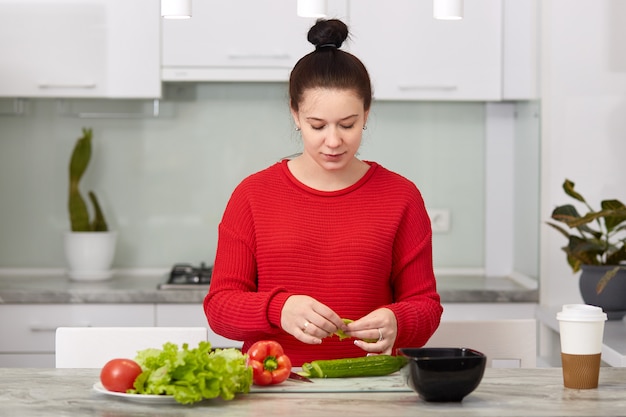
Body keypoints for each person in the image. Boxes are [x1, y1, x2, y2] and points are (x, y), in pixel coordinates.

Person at [204, 18, 442, 366]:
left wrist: (399, 322)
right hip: (274, 389)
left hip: (373, 389)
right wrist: (278, 308)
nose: (333, 141)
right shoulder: (253, 195)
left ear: (366, 114)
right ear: (295, 115)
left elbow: (426, 306)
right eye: (318, 126)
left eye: (348, 124)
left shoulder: (400, 196)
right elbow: (219, 307)